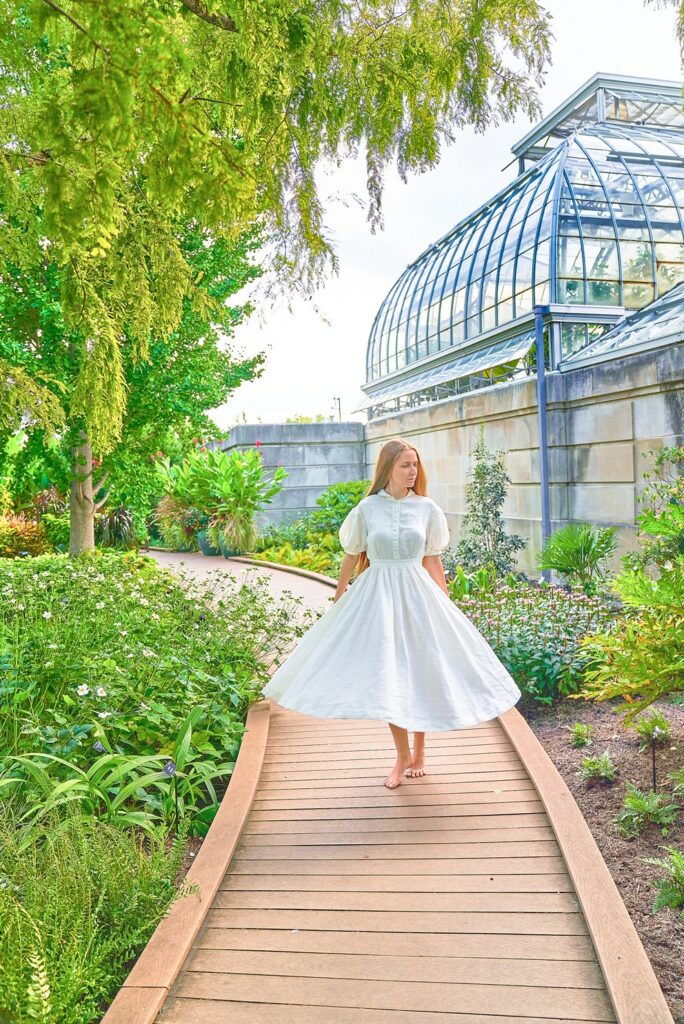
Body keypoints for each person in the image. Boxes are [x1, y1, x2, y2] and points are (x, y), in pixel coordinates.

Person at [262, 437, 522, 789]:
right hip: (378, 597)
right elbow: (352, 554)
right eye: (405, 465)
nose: (413, 471)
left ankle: (420, 751)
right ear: (388, 468)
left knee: (421, 669)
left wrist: (445, 601)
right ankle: (401, 756)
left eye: (415, 464)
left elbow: (432, 558)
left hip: (418, 596)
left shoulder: (427, 508)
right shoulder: (368, 508)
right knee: (391, 676)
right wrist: (340, 594)